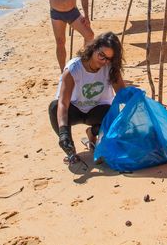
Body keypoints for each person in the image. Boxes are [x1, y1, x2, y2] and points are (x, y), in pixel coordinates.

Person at [49, 32, 126, 164]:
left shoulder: (110, 68)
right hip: (75, 109)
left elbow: (123, 95)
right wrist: (63, 133)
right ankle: (70, 150)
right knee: (54, 107)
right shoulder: (74, 68)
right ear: (94, 48)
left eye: (108, 58)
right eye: (101, 55)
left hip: (97, 111)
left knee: (116, 113)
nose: (104, 61)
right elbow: (62, 103)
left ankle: (93, 132)